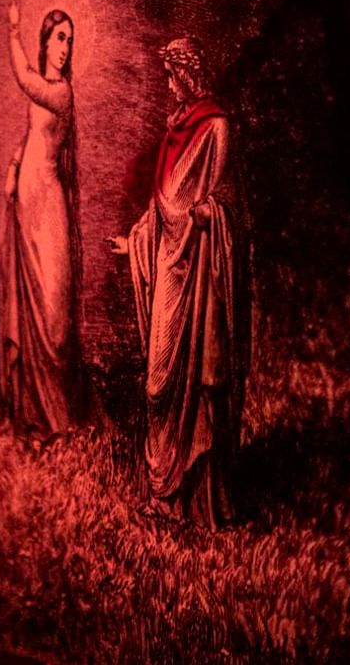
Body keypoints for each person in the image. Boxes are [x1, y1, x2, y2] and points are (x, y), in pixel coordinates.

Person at [108, 37, 249, 526]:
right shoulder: (176, 131)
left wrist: (207, 217)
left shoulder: (216, 128)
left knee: (196, 383)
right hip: (170, 268)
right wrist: (135, 243)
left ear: (187, 74)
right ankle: (163, 497)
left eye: (172, 75)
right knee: (158, 385)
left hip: (202, 276)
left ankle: (197, 503)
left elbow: (227, 207)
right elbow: (162, 208)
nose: (168, 86)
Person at [0, 1, 88, 441]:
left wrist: (12, 31)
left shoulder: (62, 92)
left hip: (49, 202)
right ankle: (32, 410)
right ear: (47, 42)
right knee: (30, 301)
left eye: (70, 39)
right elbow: (32, 133)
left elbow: (24, 81)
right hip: (27, 201)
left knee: (55, 311)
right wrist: (15, 165)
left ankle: (60, 413)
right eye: (59, 38)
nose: (65, 47)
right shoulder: (47, 88)